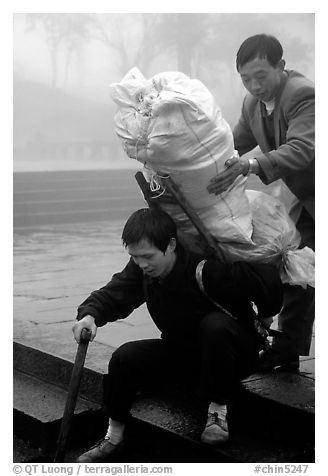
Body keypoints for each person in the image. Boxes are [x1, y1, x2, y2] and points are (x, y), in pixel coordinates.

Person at [72, 207, 282, 462]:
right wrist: (90, 315)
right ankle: (114, 437)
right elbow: (117, 292)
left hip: (232, 355)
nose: (142, 264)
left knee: (215, 326)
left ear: (171, 245)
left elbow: (268, 291)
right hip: (185, 352)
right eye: (135, 257)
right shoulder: (143, 266)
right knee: (124, 357)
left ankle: (217, 412)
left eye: (148, 256)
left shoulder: (207, 268)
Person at [207, 34, 314, 372]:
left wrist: (251, 166)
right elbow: (233, 144)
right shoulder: (251, 105)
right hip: (307, 197)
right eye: (245, 78)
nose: (254, 85)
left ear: (281, 67)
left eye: (261, 75)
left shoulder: (303, 94)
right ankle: (288, 351)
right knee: (295, 266)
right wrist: (194, 162)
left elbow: (303, 148)